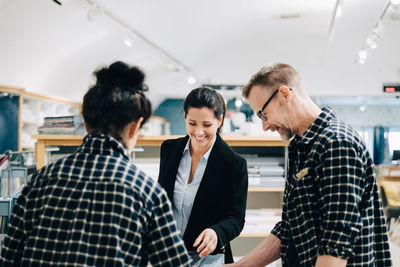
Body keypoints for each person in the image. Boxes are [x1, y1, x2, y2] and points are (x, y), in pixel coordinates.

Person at [0, 61, 191, 266]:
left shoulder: (40, 180)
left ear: (86, 123)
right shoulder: (147, 192)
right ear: (135, 127)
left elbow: (8, 258)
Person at [225, 63, 392, 266]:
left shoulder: (336, 144)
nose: (264, 126)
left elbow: (336, 242)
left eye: (263, 114)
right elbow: (288, 228)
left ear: (284, 94)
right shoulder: (301, 147)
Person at [158, 87, 248, 266]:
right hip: (167, 255)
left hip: (207, 258)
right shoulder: (169, 149)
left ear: (219, 120)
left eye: (206, 125)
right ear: (184, 116)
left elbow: (236, 218)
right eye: (192, 123)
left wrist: (216, 233)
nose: (199, 132)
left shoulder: (234, 163)